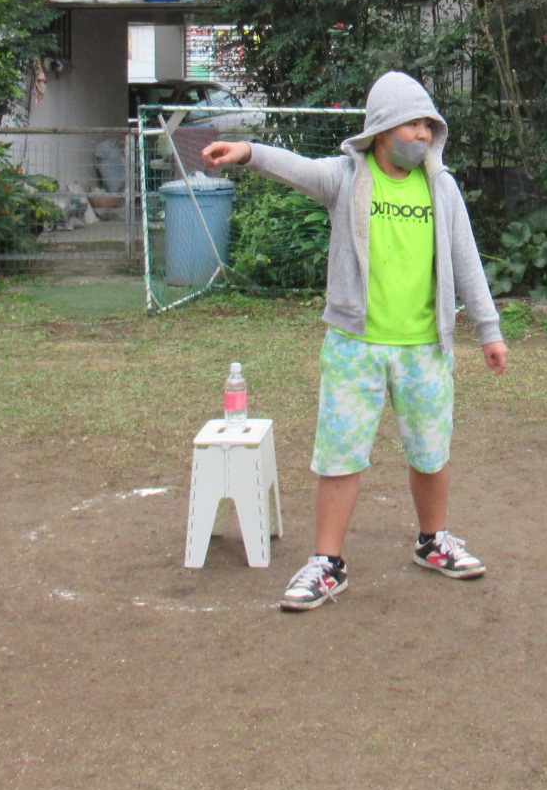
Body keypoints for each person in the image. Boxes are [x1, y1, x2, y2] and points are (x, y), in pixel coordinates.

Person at [201, 70, 508, 612]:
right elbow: (295, 167)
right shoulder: (346, 178)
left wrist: (489, 330)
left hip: (425, 349)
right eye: (412, 125)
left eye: (428, 125)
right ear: (383, 128)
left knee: (431, 452)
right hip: (354, 346)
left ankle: (433, 541)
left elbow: (466, 260)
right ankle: (328, 564)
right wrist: (247, 152)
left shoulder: (442, 187)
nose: (422, 135)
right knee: (340, 457)